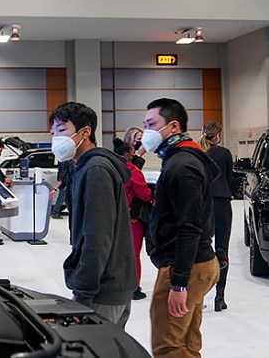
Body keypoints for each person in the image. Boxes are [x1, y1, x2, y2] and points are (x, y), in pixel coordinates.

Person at [143, 98, 219, 358]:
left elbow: (189, 226)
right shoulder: (181, 159)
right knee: (187, 343)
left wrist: (178, 285)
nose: (147, 132)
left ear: (173, 126)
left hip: (185, 266)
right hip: (195, 265)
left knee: (169, 348)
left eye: (152, 124)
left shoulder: (181, 166)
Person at [49, 102, 136, 327]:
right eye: (52, 133)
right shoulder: (86, 167)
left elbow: (97, 237)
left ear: (85, 132)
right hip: (109, 285)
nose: (56, 138)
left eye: (61, 130)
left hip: (103, 289)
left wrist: (83, 293)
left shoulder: (96, 170)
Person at [198, 121, 234, 312]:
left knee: (201, 248)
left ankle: (199, 293)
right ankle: (220, 297)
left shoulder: (197, 153)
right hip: (221, 202)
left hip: (202, 203)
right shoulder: (224, 153)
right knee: (222, 250)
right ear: (218, 136)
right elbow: (228, 178)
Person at [113, 138, 154, 301]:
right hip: (133, 218)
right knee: (133, 254)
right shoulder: (133, 171)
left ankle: (119, 283)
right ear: (127, 155)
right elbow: (144, 194)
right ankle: (134, 287)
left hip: (115, 216)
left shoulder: (111, 169)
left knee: (118, 252)